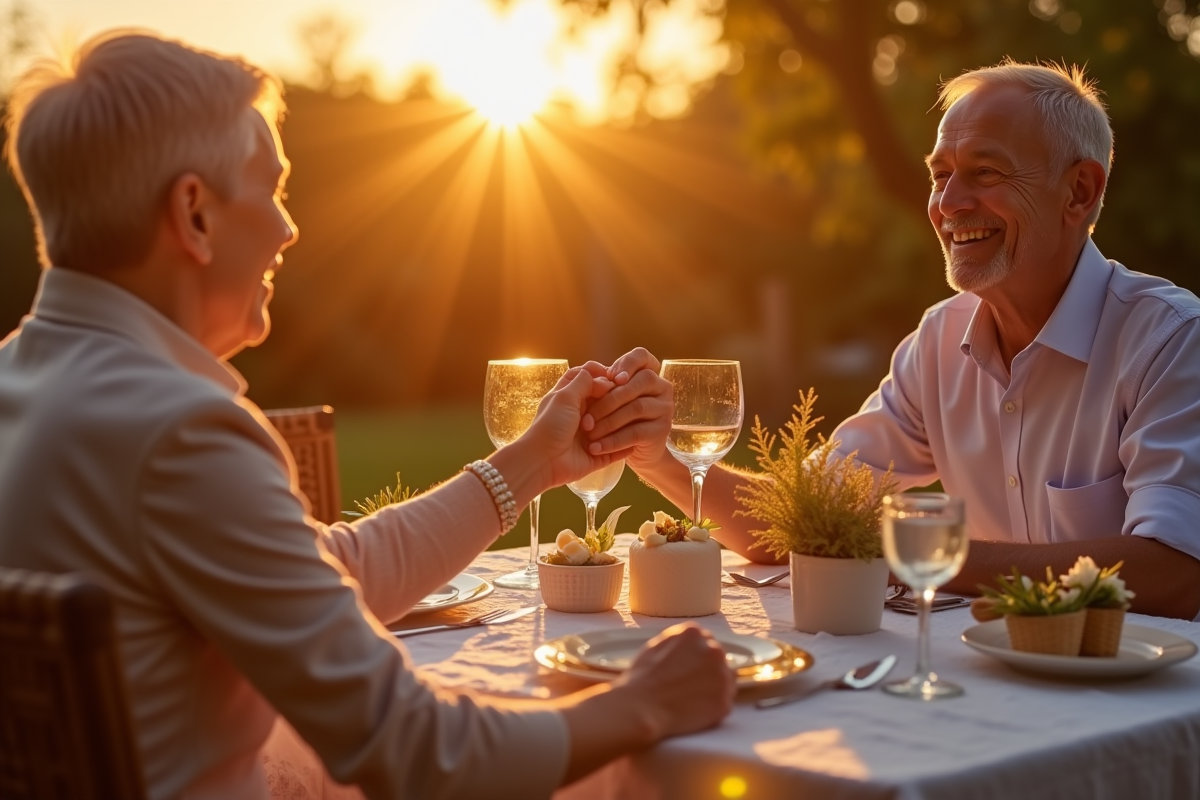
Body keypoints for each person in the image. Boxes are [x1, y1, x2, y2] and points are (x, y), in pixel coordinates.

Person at [0, 31, 735, 800]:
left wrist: (532, 463)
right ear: (195, 214)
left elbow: (328, 572)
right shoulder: (180, 435)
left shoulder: (30, 385)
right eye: (273, 190)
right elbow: (414, 751)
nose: (287, 229)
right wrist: (643, 703)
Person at [583, 62, 1200, 621]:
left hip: (1147, 697)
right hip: (993, 682)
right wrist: (657, 455)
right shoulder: (938, 342)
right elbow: (797, 522)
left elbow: (1177, 571)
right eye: (941, 175)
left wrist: (917, 549)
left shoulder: (1170, 340)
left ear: (1080, 192)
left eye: (985, 173)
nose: (948, 204)